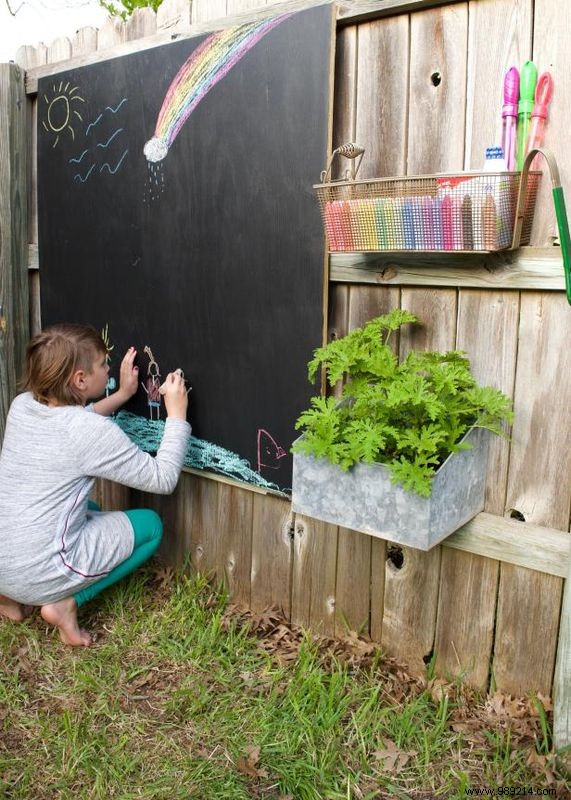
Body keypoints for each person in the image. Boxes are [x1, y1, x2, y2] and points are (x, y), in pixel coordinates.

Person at [0, 323, 191, 647]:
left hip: (5, 561)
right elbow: (162, 478)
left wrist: (121, 395)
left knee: (90, 510)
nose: (109, 368)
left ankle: (6, 597)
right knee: (151, 527)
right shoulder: (89, 432)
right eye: (103, 364)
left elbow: (76, 423)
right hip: (41, 569)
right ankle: (65, 603)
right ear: (80, 380)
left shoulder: (23, 406)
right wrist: (176, 415)